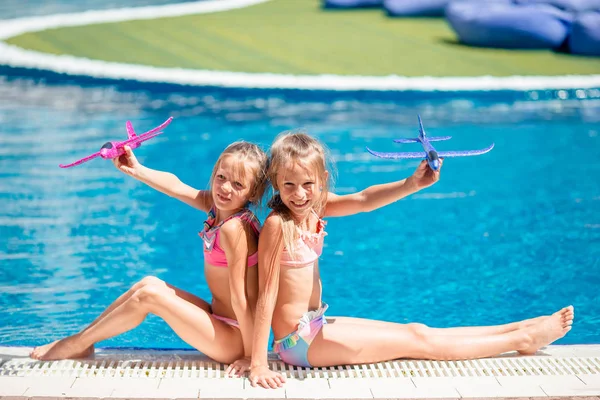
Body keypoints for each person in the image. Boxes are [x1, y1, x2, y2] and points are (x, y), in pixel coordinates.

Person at [249, 132, 575, 389]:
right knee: (417, 341)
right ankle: (523, 340)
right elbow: (265, 296)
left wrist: (412, 184)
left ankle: (519, 327)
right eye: (289, 185)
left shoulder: (314, 208)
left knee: (416, 329)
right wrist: (257, 362)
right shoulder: (278, 225)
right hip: (297, 343)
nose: (300, 194)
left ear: (320, 179)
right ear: (275, 181)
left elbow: (362, 200)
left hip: (313, 325)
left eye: (308, 184)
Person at [31, 141, 269, 377]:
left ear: (254, 192)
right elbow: (176, 186)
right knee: (148, 284)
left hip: (235, 337)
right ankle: (82, 340)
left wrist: (252, 357)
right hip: (220, 319)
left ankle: (76, 344)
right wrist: (137, 169)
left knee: (150, 296)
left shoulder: (234, 229)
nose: (225, 188)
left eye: (238, 184)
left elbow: (242, 301)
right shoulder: (217, 209)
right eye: (221, 177)